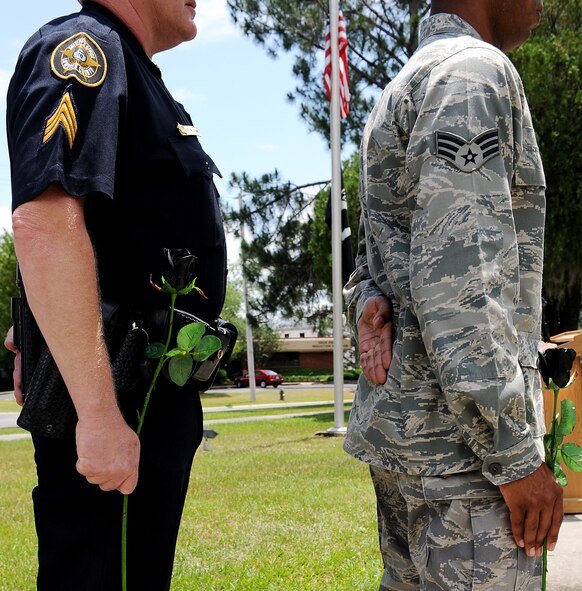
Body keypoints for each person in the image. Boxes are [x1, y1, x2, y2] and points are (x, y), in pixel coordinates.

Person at [4, 0, 227, 589]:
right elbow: (45, 221)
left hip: (148, 394)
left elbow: (104, 228)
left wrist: (28, 324)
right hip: (117, 396)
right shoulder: (85, 50)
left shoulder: (132, 68)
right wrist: (99, 415)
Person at [344, 0, 563, 589]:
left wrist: (366, 302)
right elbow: (463, 283)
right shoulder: (472, 73)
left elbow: (376, 264)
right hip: (467, 465)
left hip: (412, 445)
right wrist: (514, 455)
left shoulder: (406, 83)